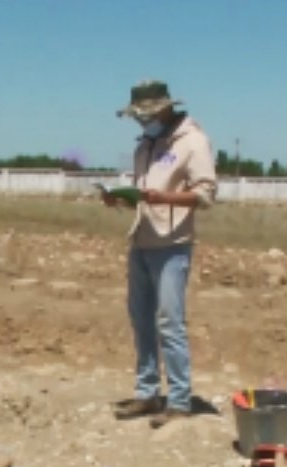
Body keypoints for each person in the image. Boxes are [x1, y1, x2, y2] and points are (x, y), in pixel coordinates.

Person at [105, 80, 217, 428]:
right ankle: (147, 393)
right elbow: (143, 193)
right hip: (141, 240)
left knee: (170, 323)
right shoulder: (145, 146)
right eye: (138, 115)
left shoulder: (193, 142)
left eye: (147, 114)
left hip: (172, 245)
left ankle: (180, 400)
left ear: (165, 108)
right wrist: (123, 198)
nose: (142, 121)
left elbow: (206, 194)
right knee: (141, 320)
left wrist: (163, 198)